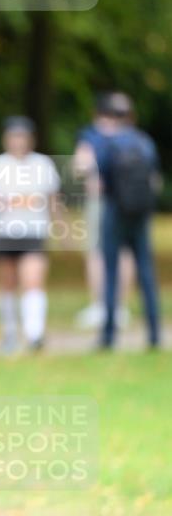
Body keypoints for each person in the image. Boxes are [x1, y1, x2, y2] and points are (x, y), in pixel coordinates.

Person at [0, 116, 61, 353]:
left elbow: (53, 200)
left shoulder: (43, 165)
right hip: (6, 231)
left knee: (33, 281)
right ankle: (9, 332)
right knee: (7, 283)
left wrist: (60, 228)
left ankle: (35, 333)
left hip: (34, 232)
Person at [91, 92, 161, 349]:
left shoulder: (108, 144)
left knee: (110, 273)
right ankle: (154, 334)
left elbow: (101, 180)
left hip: (115, 212)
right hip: (141, 215)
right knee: (146, 273)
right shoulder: (145, 142)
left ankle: (108, 336)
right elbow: (154, 179)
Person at [72, 95, 134, 331]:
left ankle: (100, 306)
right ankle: (119, 307)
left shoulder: (91, 136)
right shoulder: (132, 136)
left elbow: (80, 166)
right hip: (127, 203)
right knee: (124, 252)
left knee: (97, 252)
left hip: (101, 200)